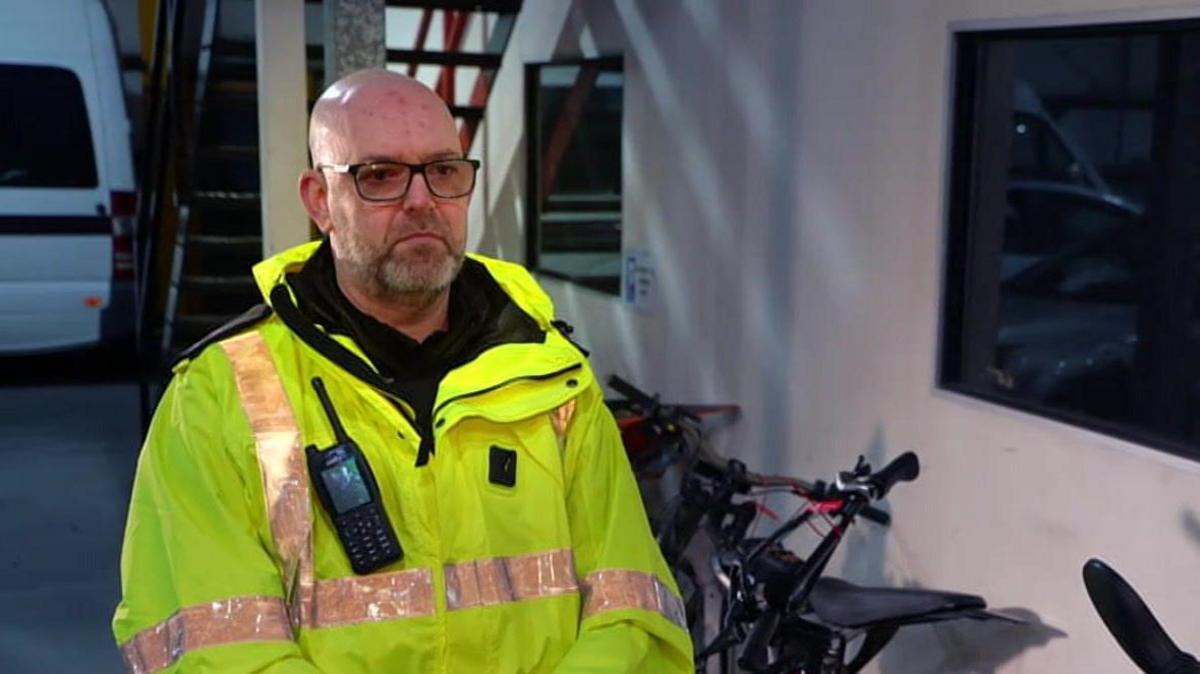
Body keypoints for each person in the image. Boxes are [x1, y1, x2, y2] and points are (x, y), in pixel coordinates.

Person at [112, 69, 693, 673]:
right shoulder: (217, 397)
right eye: (380, 176)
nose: (422, 202)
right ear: (319, 201)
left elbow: (631, 611)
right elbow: (218, 650)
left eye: (443, 171)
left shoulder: (554, 379)